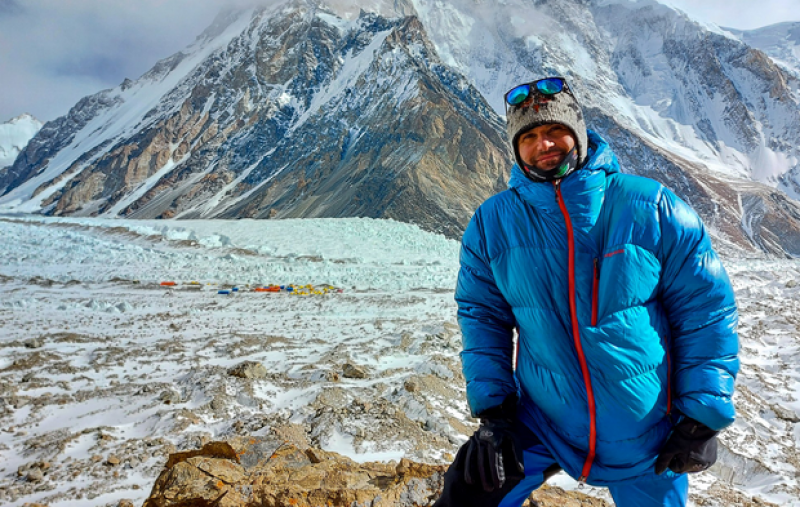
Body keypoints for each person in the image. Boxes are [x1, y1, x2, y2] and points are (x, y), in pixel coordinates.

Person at [434, 77, 739, 507]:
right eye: (530, 136)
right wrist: (495, 415)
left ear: (577, 131)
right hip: (545, 423)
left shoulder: (652, 207)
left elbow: (705, 311)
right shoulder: (491, 224)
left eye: (555, 130)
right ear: (516, 148)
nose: (545, 144)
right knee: (466, 493)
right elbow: (483, 318)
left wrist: (701, 419)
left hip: (647, 433)